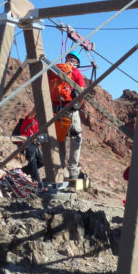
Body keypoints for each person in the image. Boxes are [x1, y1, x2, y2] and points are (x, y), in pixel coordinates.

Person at [53, 51, 86, 180]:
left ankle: (59, 169)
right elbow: (82, 91)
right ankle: (72, 169)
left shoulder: (55, 69)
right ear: (76, 63)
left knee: (60, 139)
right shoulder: (76, 72)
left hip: (55, 109)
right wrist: (77, 105)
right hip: (69, 109)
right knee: (76, 136)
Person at [12, 109, 44, 184]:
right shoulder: (29, 120)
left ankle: (21, 171)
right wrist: (38, 105)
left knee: (42, 162)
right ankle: (38, 183)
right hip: (25, 144)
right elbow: (33, 112)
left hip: (33, 145)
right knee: (33, 164)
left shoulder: (38, 124)